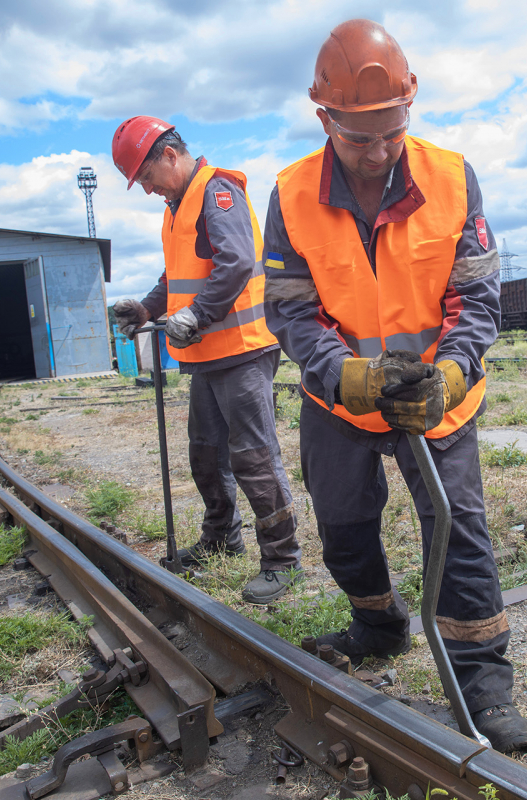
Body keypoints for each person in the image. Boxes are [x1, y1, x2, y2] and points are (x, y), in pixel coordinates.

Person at [261, 20, 527, 753]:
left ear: (407, 109)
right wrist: (339, 373)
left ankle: (481, 678)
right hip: (339, 397)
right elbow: (288, 310)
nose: (380, 151)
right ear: (325, 119)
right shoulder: (289, 196)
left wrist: (449, 372)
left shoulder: (451, 176)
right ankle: (378, 627)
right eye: (359, 138)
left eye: (392, 132)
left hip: (437, 393)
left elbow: (477, 299)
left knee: (460, 528)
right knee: (344, 524)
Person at [111, 116, 301, 605]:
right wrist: (150, 308)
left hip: (242, 349)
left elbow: (237, 261)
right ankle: (223, 535)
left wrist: (197, 313)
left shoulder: (218, 193)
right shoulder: (178, 206)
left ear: (170, 155)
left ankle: (283, 559)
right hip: (208, 353)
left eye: (148, 178)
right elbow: (177, 273)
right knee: (206, 453)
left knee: (253, 456)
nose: (149, 190)